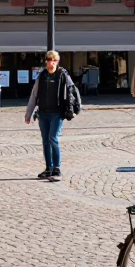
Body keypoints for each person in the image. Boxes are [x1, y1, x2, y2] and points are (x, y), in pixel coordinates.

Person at [24, 50, 81, 181]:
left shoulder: (62, 74)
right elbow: (34, 95)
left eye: (54, 60)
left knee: (52, 138)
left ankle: (57, 168)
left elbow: (73, 91)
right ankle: (48, 168)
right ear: (46, 61)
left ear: (57, 61)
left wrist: (73, 109)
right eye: (50, 60)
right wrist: (29, 113)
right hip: (43, 114)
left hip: (57, 113)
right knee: (45, 141)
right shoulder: (42, 76)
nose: (52, 62)